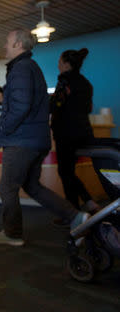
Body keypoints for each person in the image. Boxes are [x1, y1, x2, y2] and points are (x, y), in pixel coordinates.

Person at [0, 29, 90, 247]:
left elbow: (21, 105)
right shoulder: (30, 67)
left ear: (18, 45)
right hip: (36, 139)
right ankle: (76, 217)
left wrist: (4, 127)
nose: (4, 46)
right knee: (32, 186)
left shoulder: (21, 69)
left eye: (7, 41)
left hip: (21, 141)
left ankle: (12, 233)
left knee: (8, 187)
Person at [50, 48, 99, 225]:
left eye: (59, 61)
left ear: (65, 64)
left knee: (65, 172)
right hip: (84, 132)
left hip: (66, 133)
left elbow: (57, 104)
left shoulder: (64, 80)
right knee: (68, 173)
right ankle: (88, 204)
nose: (57, 64)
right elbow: (88, 109)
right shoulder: (86, 83)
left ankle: (74, 213)